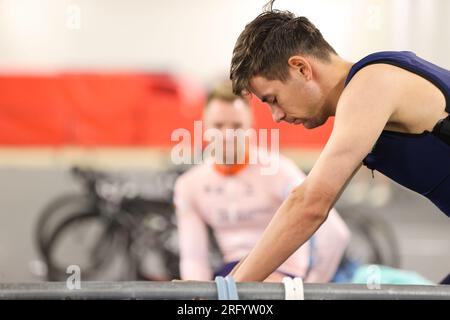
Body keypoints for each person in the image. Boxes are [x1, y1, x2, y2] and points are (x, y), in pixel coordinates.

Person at [227, 1, 450, 283]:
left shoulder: (371, 86)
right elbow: (309, 201)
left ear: (301, 68)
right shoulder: (365, 95)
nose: (276, 117)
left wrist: (229, 290)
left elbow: (309, 204)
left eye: (273, 99)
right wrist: (228, 282)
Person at [174, 81, 351, 282]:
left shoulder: (278, 170)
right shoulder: (189, 185)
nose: (227, 135)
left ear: (250, 126)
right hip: (232, 274)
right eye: (218, 126)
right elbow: (193, 258)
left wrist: (311, 287)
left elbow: (336, 234)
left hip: (285, 275)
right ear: (204, 127)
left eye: (236, 126)